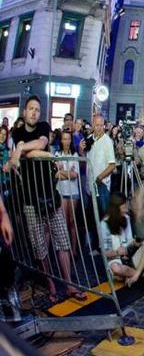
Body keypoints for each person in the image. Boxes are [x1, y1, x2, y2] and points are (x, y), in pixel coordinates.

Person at [7, 96, 85, 302]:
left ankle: (69, 285)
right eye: (31, 109)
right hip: (30, 199)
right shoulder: (17, 132)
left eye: (37, 109)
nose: (34, 112)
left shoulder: (43, 126)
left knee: (62, 241)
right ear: (24, 112)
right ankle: (51, 286)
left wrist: (21, 149)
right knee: (40, 247)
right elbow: (30, 155)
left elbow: (41, 144)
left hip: (50, 194)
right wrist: (35, 153)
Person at [100, 192, 144, 287]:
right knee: (116, 269)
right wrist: (117, 252)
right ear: (116, 208)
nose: (127, 207)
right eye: (124, 205)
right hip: (116, 260)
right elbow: (104, 253)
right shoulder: (104, 224)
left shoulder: (126, 218)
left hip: (130, 257)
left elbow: (129, 241)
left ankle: (134, 276)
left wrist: (134, 243)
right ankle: (142, 274)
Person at [54, 130, 81, 252]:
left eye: (68, 139)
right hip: (61, 191)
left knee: (72, 221)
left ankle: (74, 250)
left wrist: (62, 172)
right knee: (63, 222)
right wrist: (68, 173)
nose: (66, 141)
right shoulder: (57, 154)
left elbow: (75, 175)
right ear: (61, 140)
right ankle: (65, 249)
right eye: (64, 139)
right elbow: (55, 175)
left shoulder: (75, 155)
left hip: (73, 192)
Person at [86, 114, 117, 214]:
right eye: (97, 125)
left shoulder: (107, 141)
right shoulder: (89, 138)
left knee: (104, 214)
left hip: (101, 184)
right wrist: (81, 150)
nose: (99, 128)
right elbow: (86, 158)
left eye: (101, 125)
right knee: (92, 215)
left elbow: (112, 165)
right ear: (92, 125)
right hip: (89, 184)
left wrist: (100, 178)